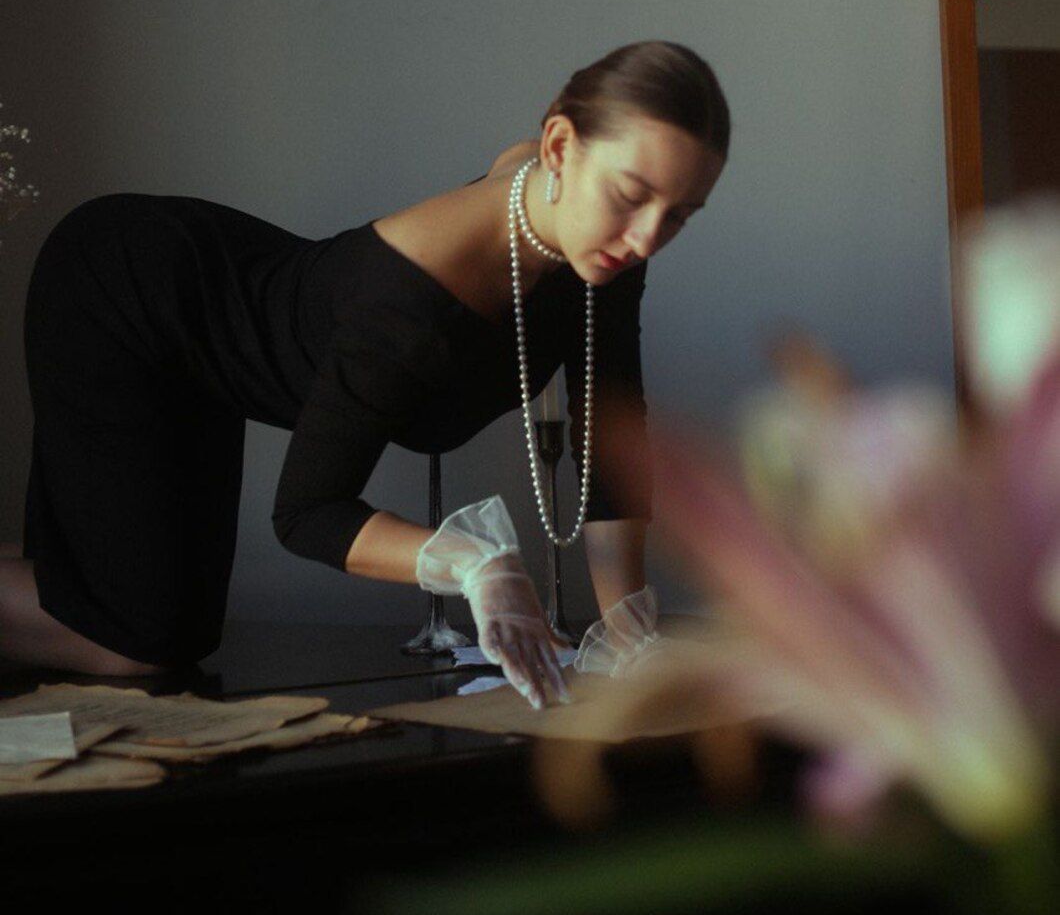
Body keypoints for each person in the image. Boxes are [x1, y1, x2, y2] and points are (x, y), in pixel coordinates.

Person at [0, 41, 729, 707]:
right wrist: (475, 564)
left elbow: (612, 445)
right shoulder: (411, 301)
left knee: (178, 624)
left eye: (679, 215)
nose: (647, 238)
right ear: (560, 145)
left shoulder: (596, 237)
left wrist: (630, 638)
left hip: (212, 322)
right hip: (123, 295)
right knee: (137, 641)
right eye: (631, 195)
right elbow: (307, 513)